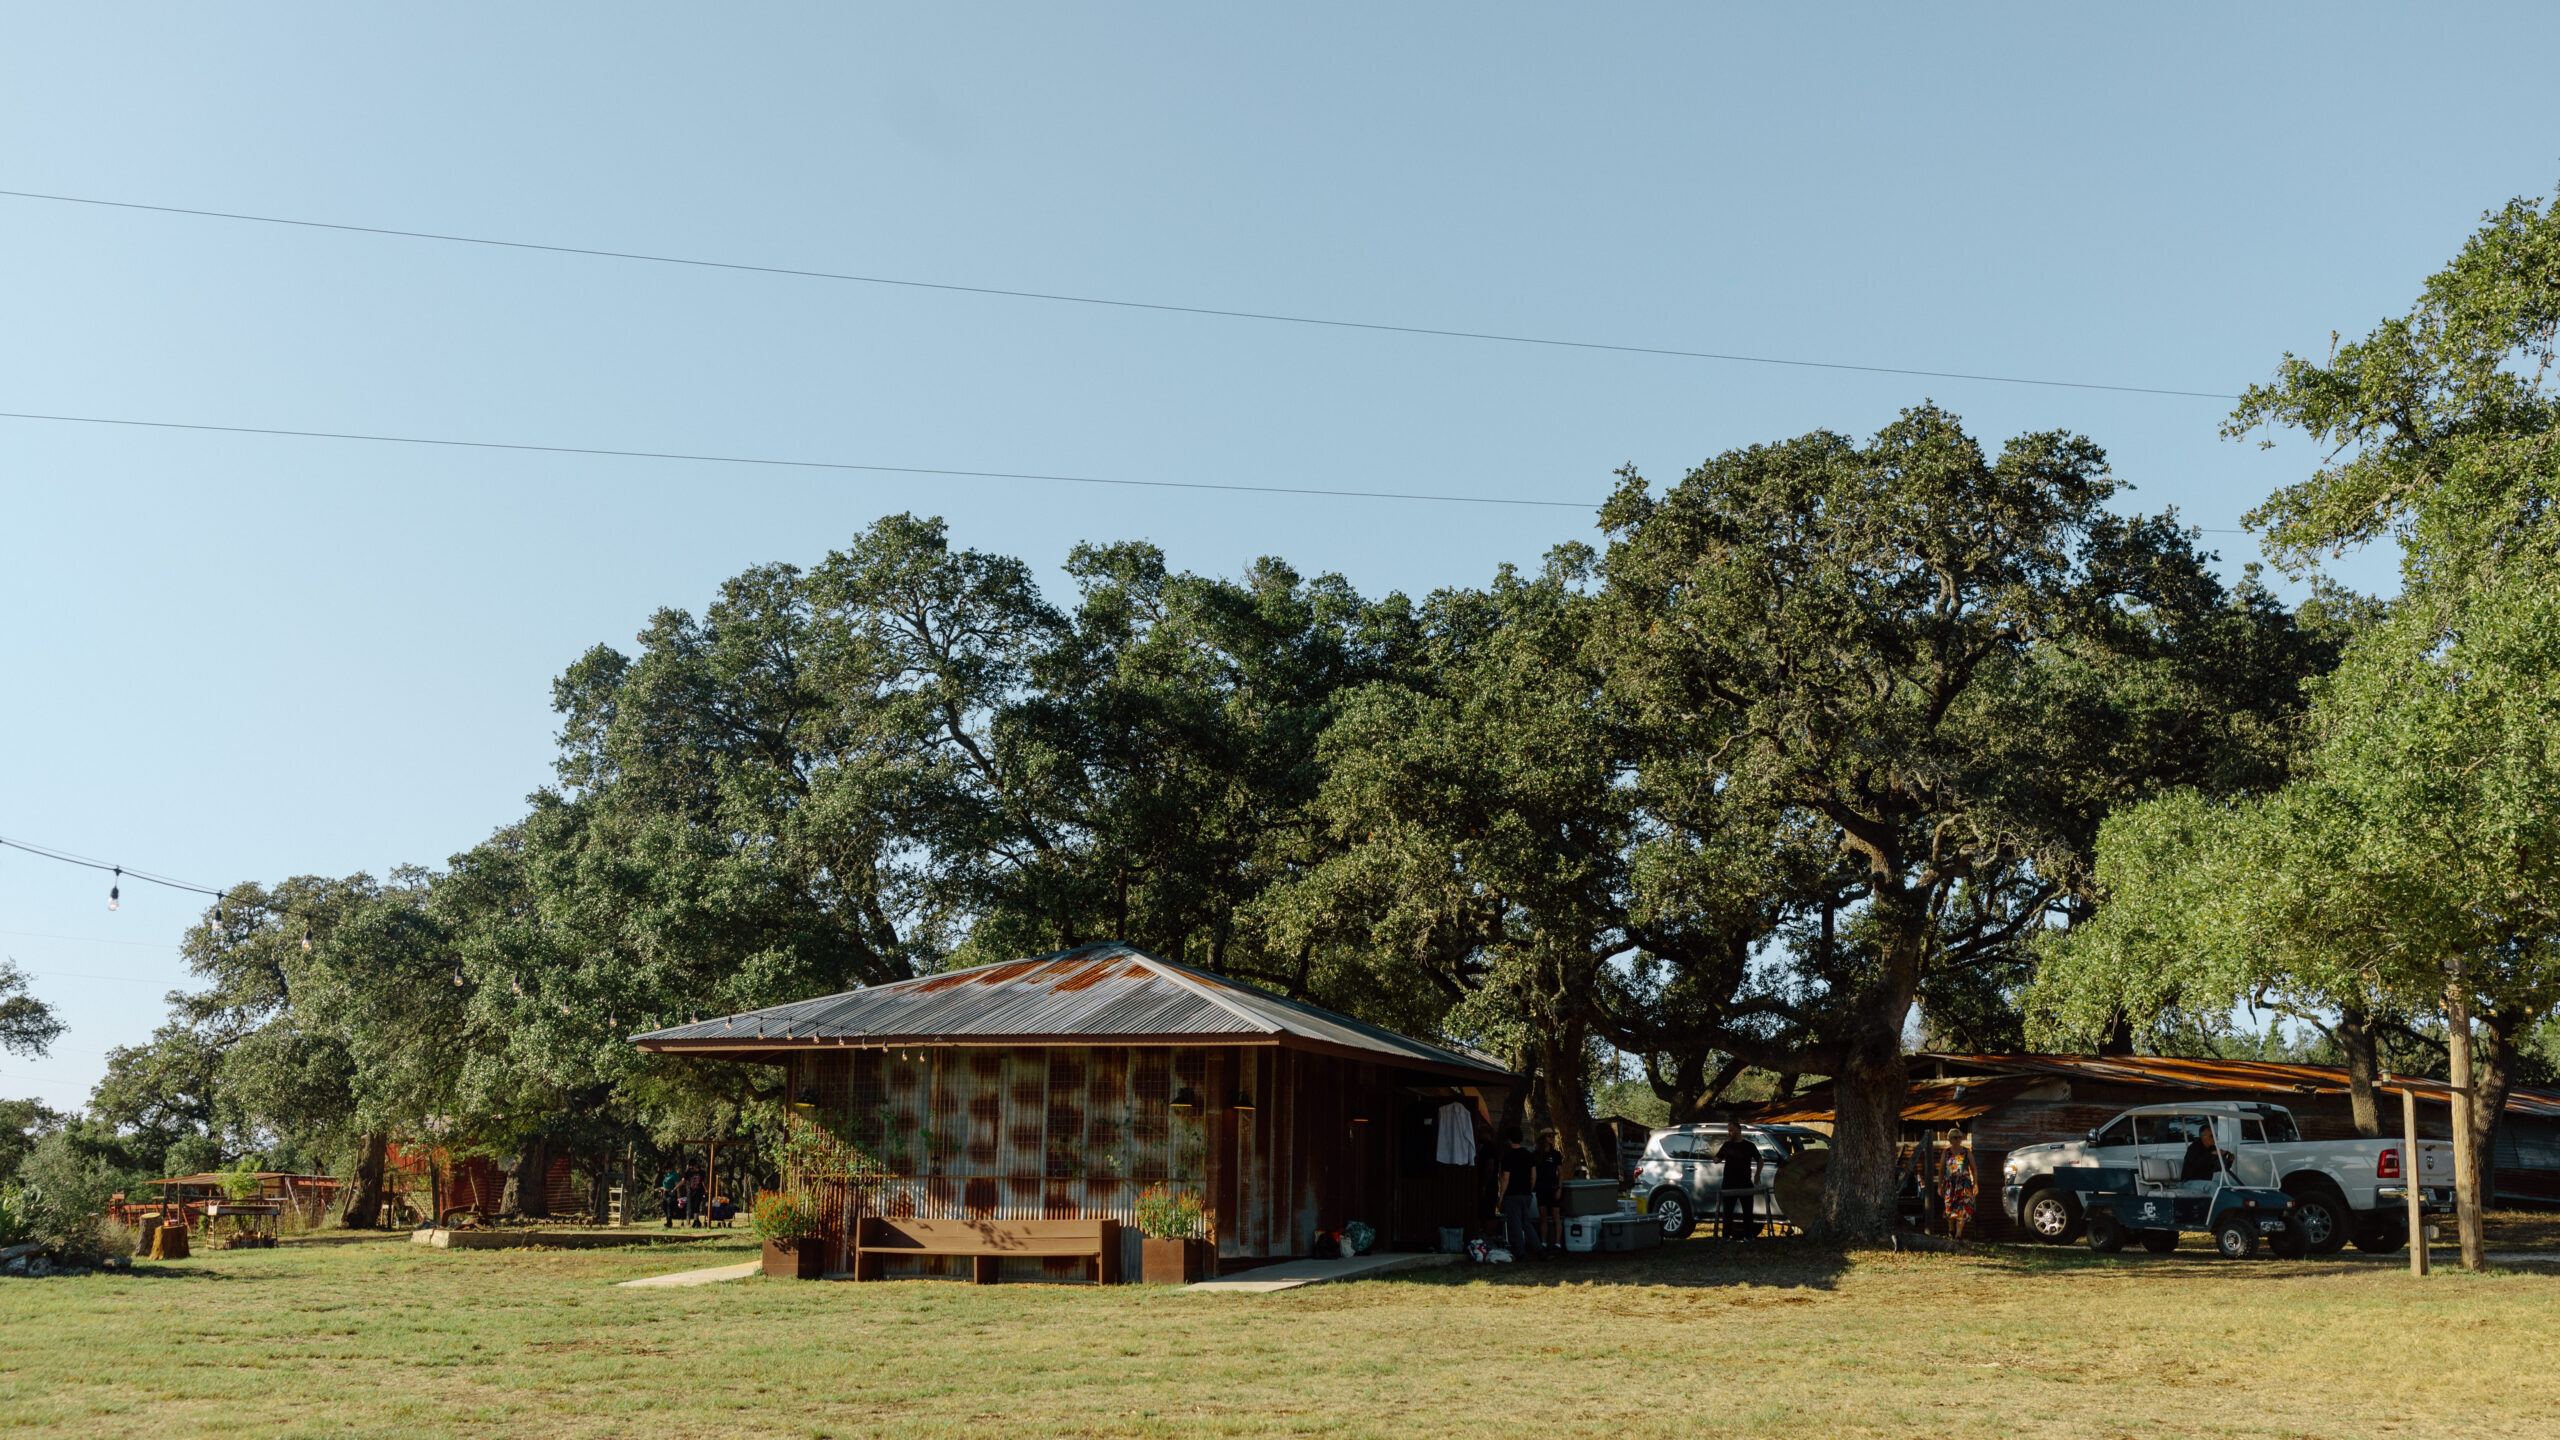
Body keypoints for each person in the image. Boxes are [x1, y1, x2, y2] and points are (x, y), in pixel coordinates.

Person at [1494, 1132, 1543, 1258]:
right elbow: (1534, 1175)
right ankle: (1538, 1248)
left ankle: (1520, 1252)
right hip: (1526, 1193)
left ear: (1509, 1140)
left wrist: (1501, 1196)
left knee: (1515, 1223)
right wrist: (1530, 1190)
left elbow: (1506, 1178)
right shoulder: (1528, 1155)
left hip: (1512, 1193)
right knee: (1527, 1222)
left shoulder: (1508, 1156)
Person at [1714, 1121, 1760, 1238]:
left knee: (1748, 1212)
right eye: (1728, 1130)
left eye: (1732, 1130)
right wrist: (1716, 1153)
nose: (1729, 1133)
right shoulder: (1726, 1145)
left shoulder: (1749, 1146)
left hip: (1745, 1182)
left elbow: (1760, 1160)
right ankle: (1725, 1236)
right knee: (1727, 1212)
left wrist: (1757, 1174)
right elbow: (1717, 1159)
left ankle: (1748, 1236)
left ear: (1739, 1130)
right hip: (1729, 1183)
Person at [1532, 1129, 1565, 1252]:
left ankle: (1558, 1244)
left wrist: (1559, 1188)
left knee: (1556, 1217)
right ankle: (1544, 1243)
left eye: (1553, 1136)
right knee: (1543, 1217)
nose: (1552, 1138)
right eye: (1549, 1136)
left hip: (1553, 1188)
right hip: (1541, 1189)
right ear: (1543, 1138)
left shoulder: (1556, 1154)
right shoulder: (1535, 1155)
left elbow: (1561, 1173)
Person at [1941, 1138, 1978, 1241]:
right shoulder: (1946, 1152)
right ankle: (1951, 1231)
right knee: (1949, 1208)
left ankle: (1958, 1235)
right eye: (1954, 1138)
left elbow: (1974, 1168)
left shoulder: (1966, 1152)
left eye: (1958, 1138)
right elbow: (1942, 1169)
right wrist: (1940, 1185)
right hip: (1950, 1184)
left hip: (1964, 1184)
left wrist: (1975, 1184)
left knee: (1963, 1209)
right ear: (1950, 1140)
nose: (1956, 1140)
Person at [2180, 1119, 2225, 1184]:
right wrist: (2211, 1154)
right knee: (2214, 1187)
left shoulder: (2212, 1148)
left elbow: (2218, 1167)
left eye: (2215, 1136)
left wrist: (2228, 1159)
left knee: (2229, 1186)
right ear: (2203, 1137)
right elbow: (2197, 1164)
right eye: (2212, 1136)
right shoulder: (2194, 1148)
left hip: (2205, 1182)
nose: (2214, 1138)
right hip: (2190, 1182)